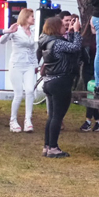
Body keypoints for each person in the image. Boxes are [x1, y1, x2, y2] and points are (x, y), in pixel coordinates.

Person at [39, 15, 82, 158]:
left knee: (52, 116)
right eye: (63, 25)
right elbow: (75, 48)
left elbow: (69, 48)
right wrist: (77, 32)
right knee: (57, 117)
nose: (66, 26)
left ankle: (47, 146)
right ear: (56, 27)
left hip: (49, 81)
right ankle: (53, 148)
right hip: (61, 82)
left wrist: (71, 33)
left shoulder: (47, 41)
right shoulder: (57, 43)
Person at [0, 7, 37, 132]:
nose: (34, 19)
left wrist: (36, 65)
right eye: (32, 16)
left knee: (30, 90)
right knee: (19, 94)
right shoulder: (16, 29)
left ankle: (28, 120)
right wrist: (9, 31)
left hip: (29, 65)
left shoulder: (33, 31)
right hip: (16, 64)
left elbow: (33, 50)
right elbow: (1, 41)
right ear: (26, 17)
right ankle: (13, 120)